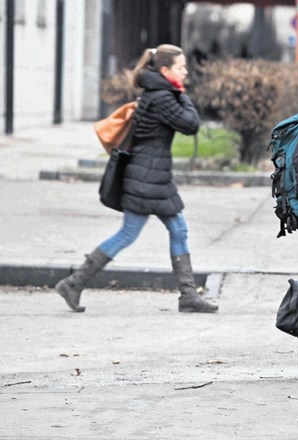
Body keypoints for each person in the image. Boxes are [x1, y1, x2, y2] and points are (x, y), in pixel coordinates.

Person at [56, 44, 218, 314]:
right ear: (165, 71)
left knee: (175, 229)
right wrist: (181, 93)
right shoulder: (163, 97)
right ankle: (74, 282)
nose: (186, 71)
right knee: (130, 233)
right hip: (148, 175)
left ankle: (188, 295)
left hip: (151, 173)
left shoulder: (157, 93)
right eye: (181, 67)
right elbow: (190, 124)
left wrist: (177, 90)